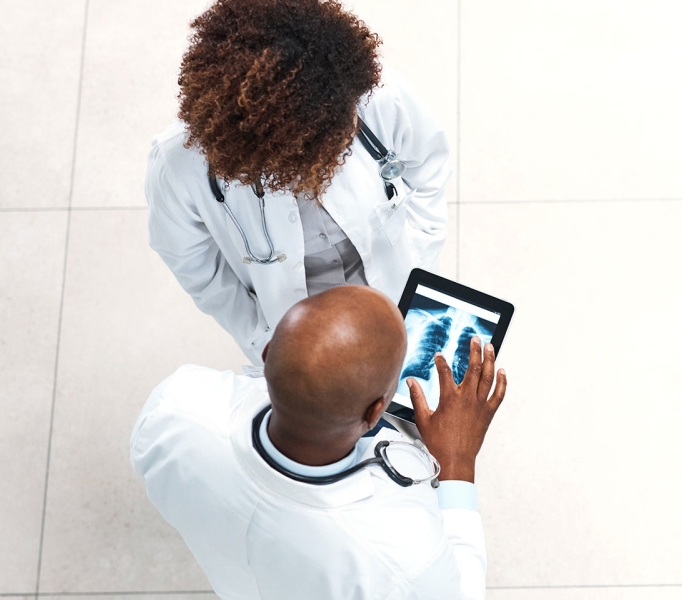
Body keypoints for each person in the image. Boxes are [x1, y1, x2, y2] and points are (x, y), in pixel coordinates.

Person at [131, 285, 507, 599]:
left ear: (266, 354)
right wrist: (457, 464)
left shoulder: (174, 409)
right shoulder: (399, 557)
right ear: (377, 412)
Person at [146, 0, 450, 365]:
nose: (347, 136)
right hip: (295, 333)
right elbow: (196, 268)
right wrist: (264, 341)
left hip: (395, 292)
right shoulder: (179, 165)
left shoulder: (372, 95)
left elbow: (429, 166)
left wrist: (418, 261)